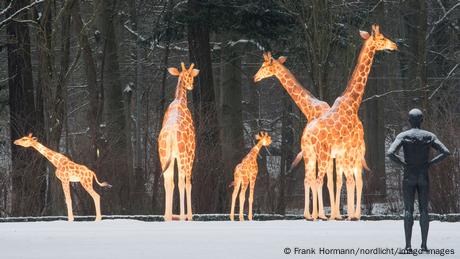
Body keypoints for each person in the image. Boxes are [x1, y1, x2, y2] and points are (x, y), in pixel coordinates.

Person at [387, 108, 450, 253]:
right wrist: (430, 163)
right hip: (423, 175)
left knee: (408, 210)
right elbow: (445, 152)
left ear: (409, 121)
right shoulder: (429, 136)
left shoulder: (403, 136)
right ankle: (424, 246)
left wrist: (403, 164)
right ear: (421, 120)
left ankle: (408, 246)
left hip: (409, 175)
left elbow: (390, 153)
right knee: (424, 210)